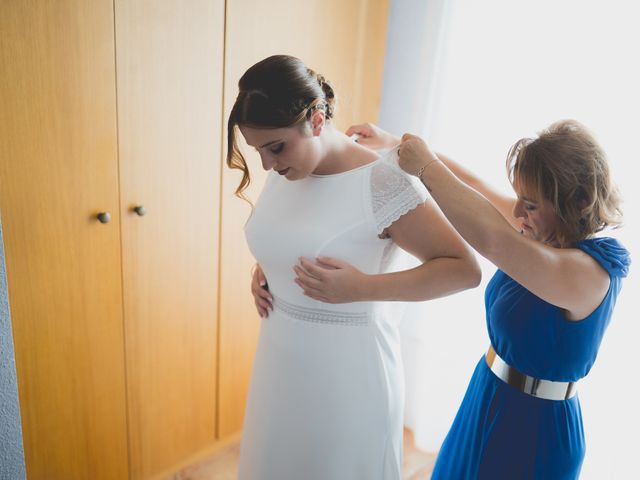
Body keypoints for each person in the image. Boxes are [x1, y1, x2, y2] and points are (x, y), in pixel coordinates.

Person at [227, 54, 481, 480]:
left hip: (349, 378)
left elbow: (463, 269)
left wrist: (362, 288)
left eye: (275, 148)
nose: (267, 164)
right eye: (259, 152)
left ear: (317, 119)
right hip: (281, 362)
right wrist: (268, 268)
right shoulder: (289, 168)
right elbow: (291, 233)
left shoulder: (382, 182)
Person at [343, 120, 631, 479]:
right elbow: (475, 189)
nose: (517, 213)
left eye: (530, 204)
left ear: (577, 202)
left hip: (534, 429)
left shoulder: (586, 272)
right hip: (489, 393)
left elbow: (492, 238)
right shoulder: (546, 231)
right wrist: (395, 147)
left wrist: (426, 168)